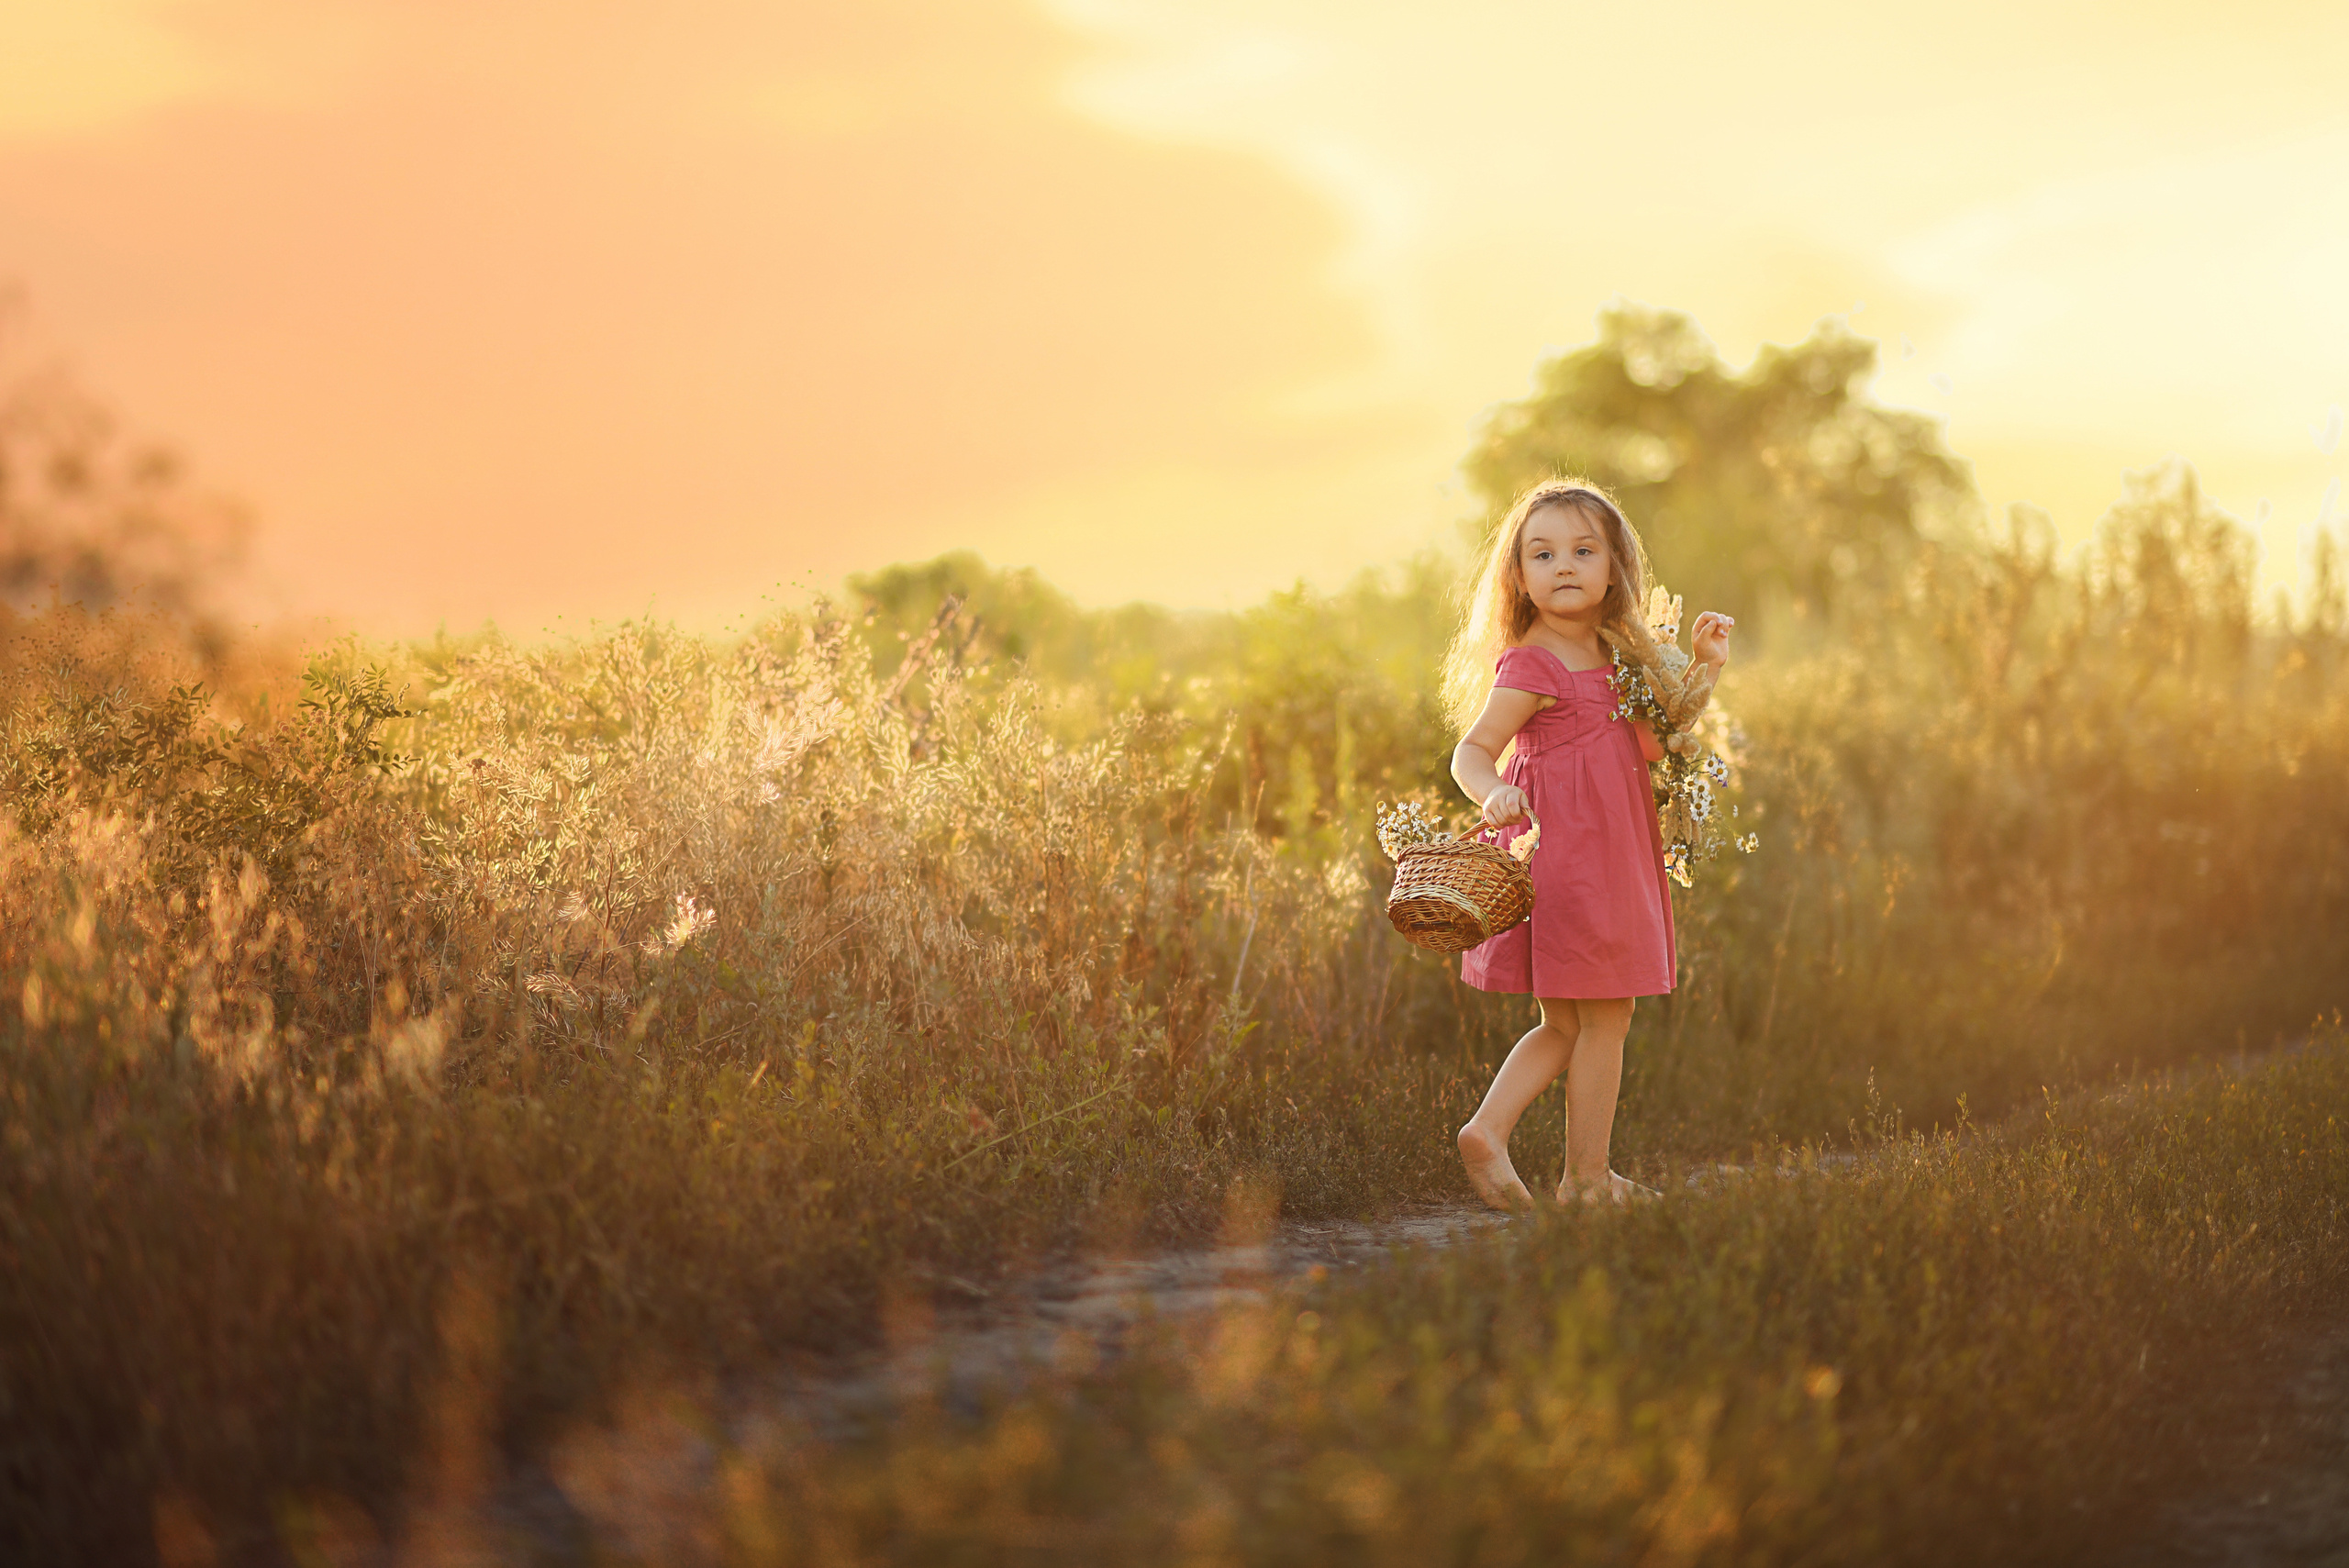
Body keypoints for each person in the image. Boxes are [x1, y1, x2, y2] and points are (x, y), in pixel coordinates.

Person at [1442, 478, 1731, 1209]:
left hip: (1609, 851)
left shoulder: (1615, 656)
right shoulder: (1533, 664)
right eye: (1542, 553)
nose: (1563, 565)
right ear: (1518, 577)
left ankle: (1489, 1130)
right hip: (1573, 859)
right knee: (1606, 1015)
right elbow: (1472, 751)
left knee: (1570, 1019)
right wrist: (1493, 791)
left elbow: (1656, 747)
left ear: (1614, 569)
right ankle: (1587, 1181)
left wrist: (1700, 668)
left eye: (1582, 549)